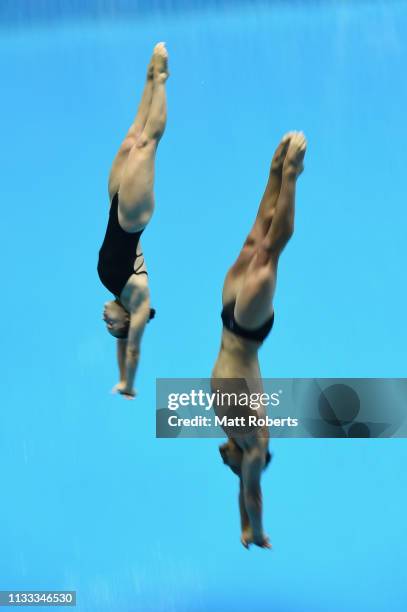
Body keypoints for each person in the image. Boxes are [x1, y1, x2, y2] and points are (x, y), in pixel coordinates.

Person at [211, 132, 307, 548]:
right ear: (251, 461)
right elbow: (249, 490)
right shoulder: (253, 442)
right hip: (232, 319)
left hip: (244, 328)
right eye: (228, 460)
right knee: (261, 244)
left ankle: (285, 172)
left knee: (265, 245)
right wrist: (255, 529)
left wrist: (249, 527)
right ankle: (283, 172)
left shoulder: (247, 435)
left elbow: (246, 493)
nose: (222, 455)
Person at [97, 43, 168, 399]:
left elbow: (119, 344)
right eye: (113, 326)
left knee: (130, 139)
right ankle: (163, 79)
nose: (105, 322)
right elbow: (132, 347)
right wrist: (128, 383)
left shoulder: (114, 288)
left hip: (114, 206)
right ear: (127, 320)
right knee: (147, 144)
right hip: (133, 216)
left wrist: (117, 368)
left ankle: (149, 75)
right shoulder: (137, 296)